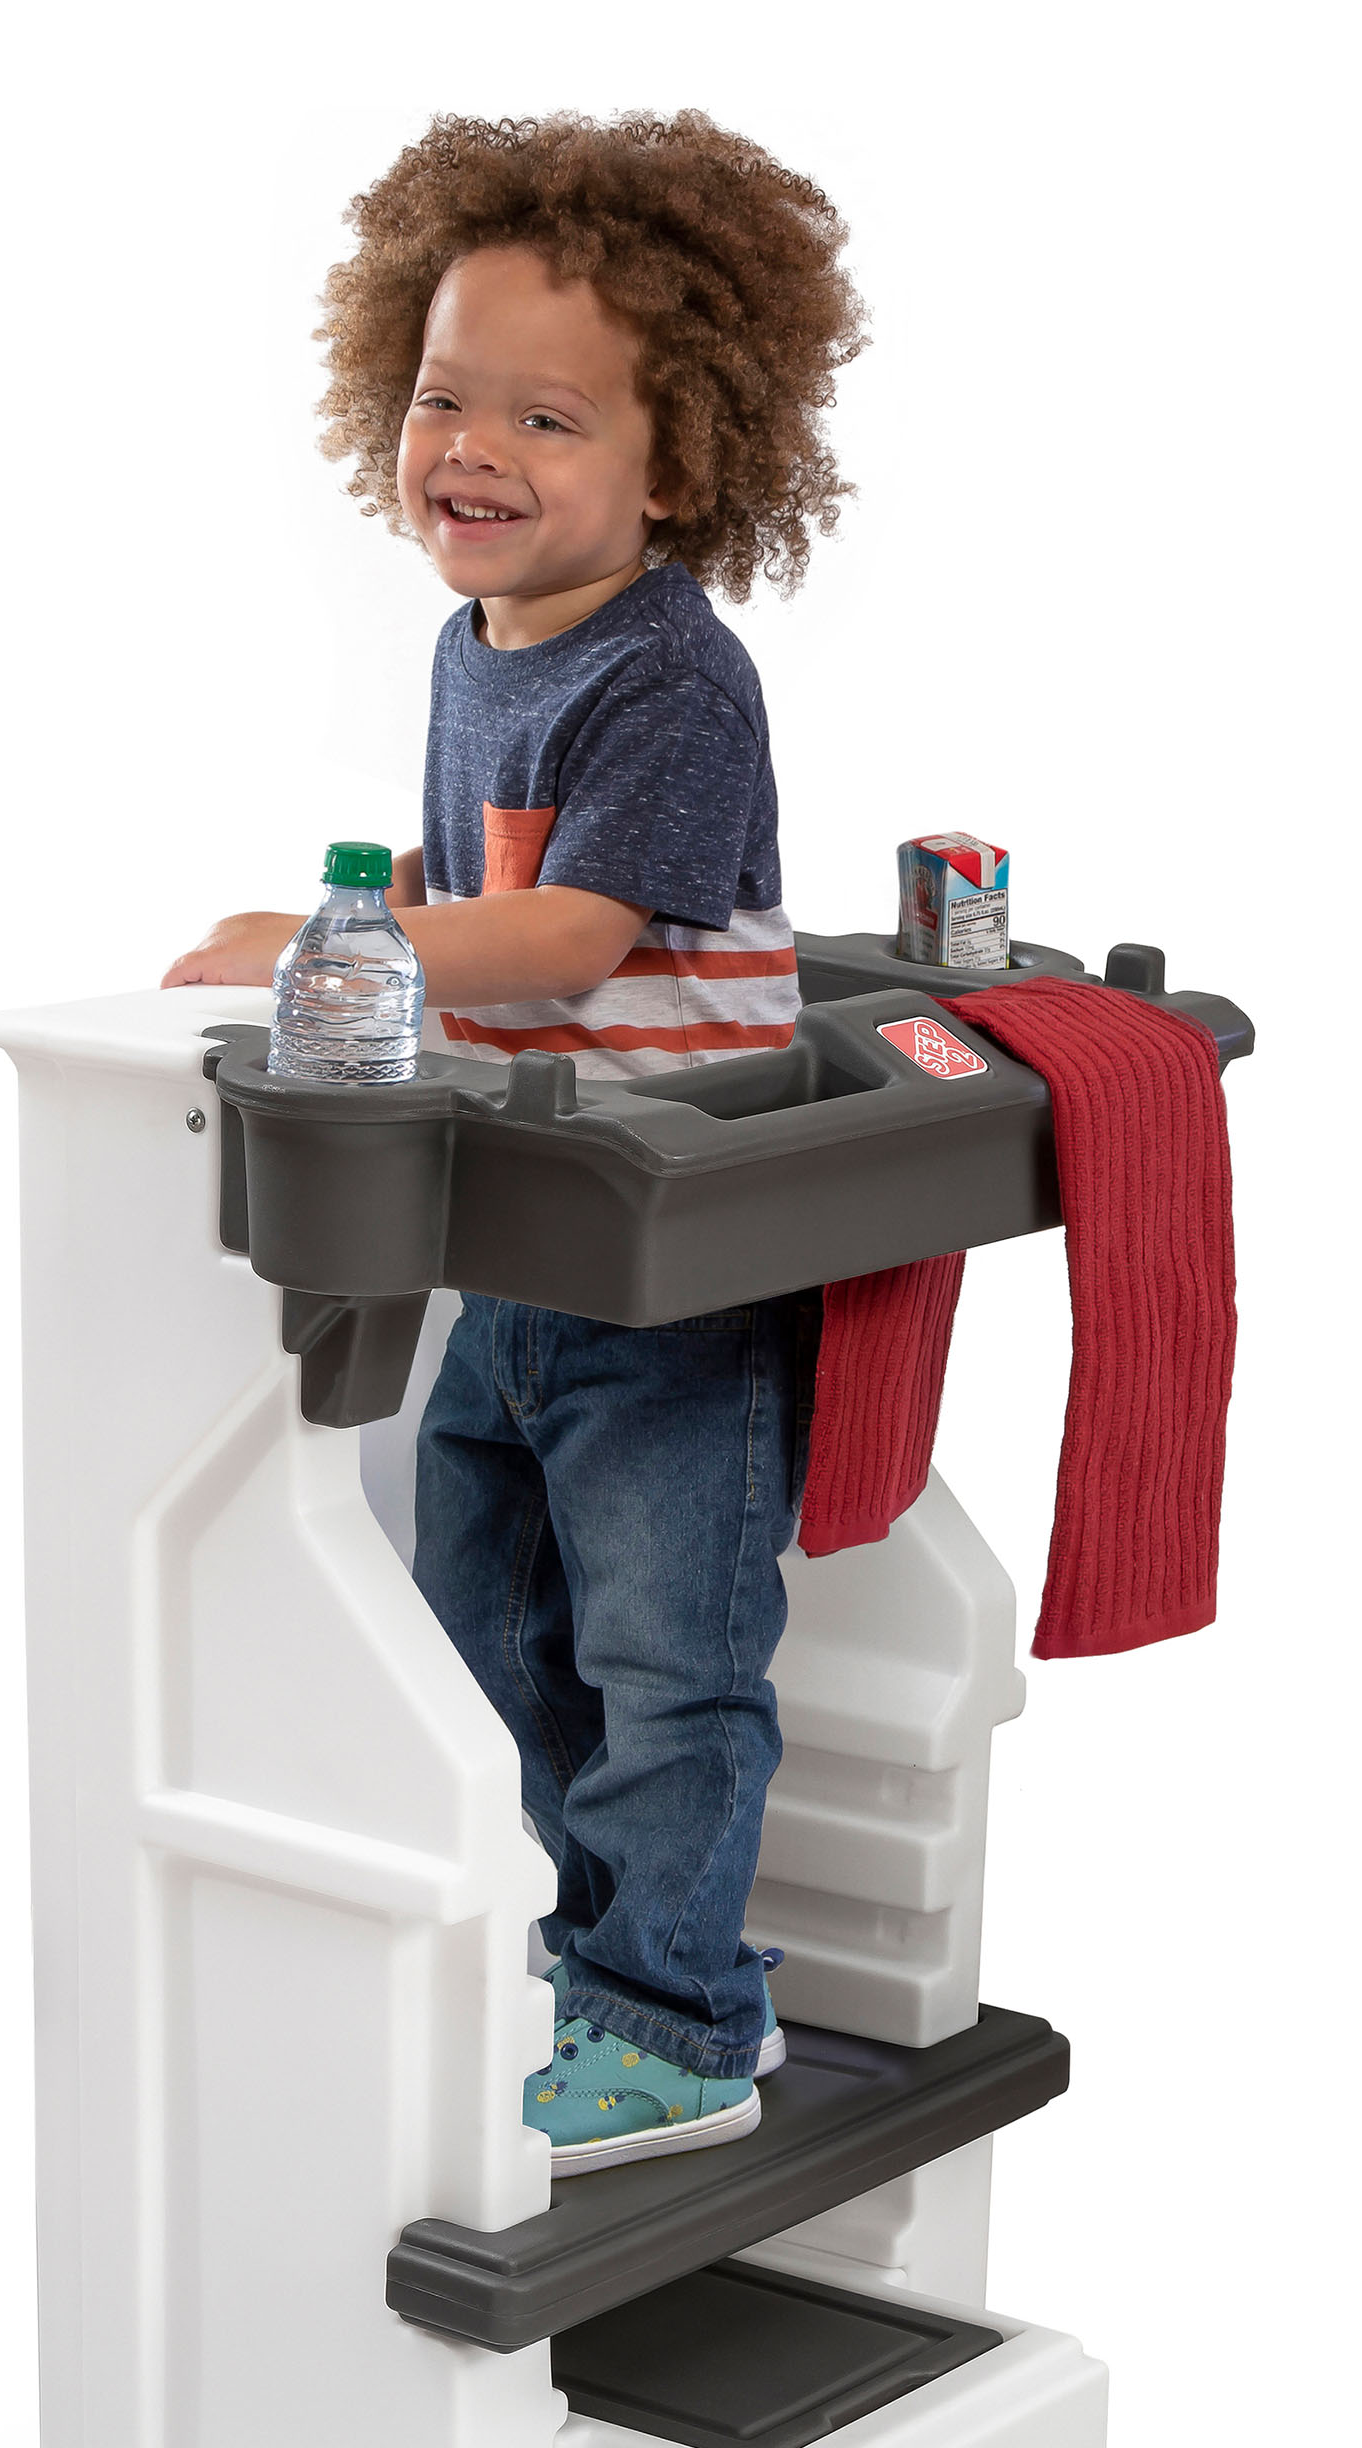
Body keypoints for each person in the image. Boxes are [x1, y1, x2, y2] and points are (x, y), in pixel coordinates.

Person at [164, 112, 866, 2171]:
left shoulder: (674, 679)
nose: (472, 449)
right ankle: (580, 1952)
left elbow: (562, 937)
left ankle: (682, 2019)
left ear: (681, 462)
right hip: (528, 1238)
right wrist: (379, 938)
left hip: (676, 1264)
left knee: (666, 1654)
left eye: (548, 418)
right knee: (477, 1609)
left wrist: (327, 947)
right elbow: (481, 917)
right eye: (442, 396)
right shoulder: (474, 649)